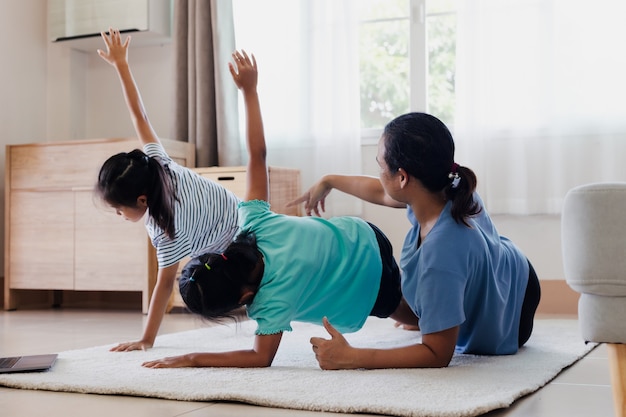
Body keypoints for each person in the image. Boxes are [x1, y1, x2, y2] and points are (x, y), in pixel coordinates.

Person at [141, 50, 418, 369]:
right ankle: (419, 304)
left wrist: (193, 358)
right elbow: (257, 155)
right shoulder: (253, 222)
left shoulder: (269, 304)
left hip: (372, 285)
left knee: (404, 311)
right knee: (405, 297)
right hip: (364, 235)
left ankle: (419, 315)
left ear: (242, 299)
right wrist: (249, 91)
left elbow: (260, 357)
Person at [289, 112, 541, 369]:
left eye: (381, 167)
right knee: (394, 293)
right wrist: (328, 180)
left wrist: (352, 357)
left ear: (402, 178)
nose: (379, 173)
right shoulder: (444, 191)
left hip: (512, 313)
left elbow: (436, 353)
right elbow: (380, 191)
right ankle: (433, 314)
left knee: (390, 292)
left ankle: (434, 315)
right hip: (511, 270)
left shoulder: (441, 254)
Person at [95, 28, 240, 352]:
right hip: (245, 214)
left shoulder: (166, 230)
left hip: (238, 250)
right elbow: (140, 115)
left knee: (191, 286)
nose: (120, 216)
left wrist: (146, 340)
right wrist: (122, 65)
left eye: (119, 209)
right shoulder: (158, 164)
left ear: (142, 200)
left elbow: (163, 288)